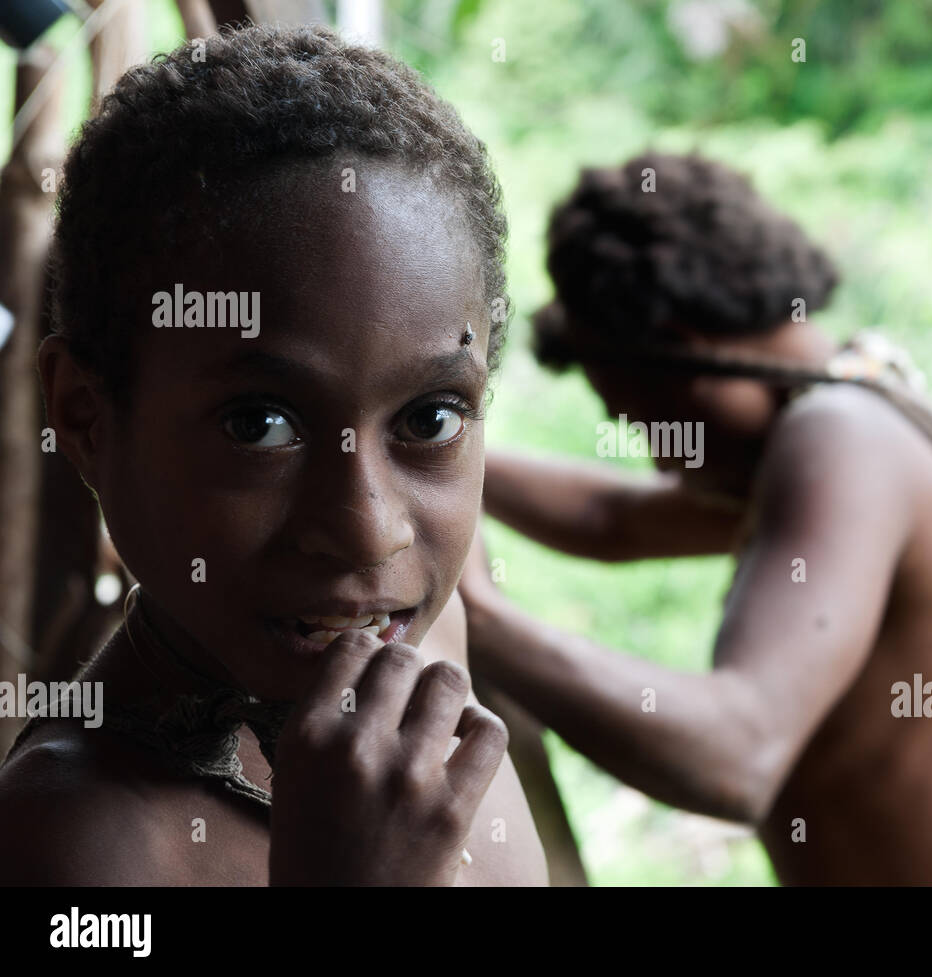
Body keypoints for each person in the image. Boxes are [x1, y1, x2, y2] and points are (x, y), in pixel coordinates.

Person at [458, 152, 932, 885]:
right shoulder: (843, 420)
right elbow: (611, 518)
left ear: (684, 351)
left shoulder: (844, 436)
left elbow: (737, 752)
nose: (662, 460)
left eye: (641, 420)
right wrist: (435, 450)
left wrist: (478, 617)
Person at [0, 25, 546, 886]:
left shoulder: (427, 647)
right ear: (85, 418)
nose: (368, 531)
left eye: (430, 418)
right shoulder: (76, 845)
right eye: (260, 424)